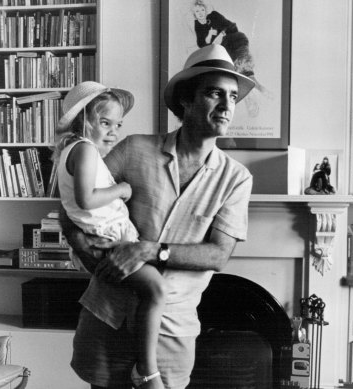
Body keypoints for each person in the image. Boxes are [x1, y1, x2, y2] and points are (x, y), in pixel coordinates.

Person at [61, 44, 255, 389]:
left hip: (172, 332)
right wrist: (91, 257)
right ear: (186, 100)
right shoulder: (133, 148)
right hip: (108, 318)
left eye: (233, 97)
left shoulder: (236, 178)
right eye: (214, 93)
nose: (227, 106)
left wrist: (149, 250)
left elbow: (219, 254)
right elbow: (72, 204)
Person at [53, 81, 166, 389]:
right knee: (156, 290)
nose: (114, 132)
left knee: (144, 291)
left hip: (109, 234)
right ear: (84, 119)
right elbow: (86, 199)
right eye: (105, 123)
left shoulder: (73, 151)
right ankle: (147, 371)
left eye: (117, 124)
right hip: (105, 238)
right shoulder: (86, 150)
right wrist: (122, 189)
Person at [190, 0, 273, 117]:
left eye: (202, 10)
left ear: (206, 10)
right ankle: (254, 93)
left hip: (236, 40)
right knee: (237, 73)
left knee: (243, 64)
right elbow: (202, 44)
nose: (200, 13)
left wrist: (216, 36)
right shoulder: (198, 26)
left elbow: (231, 26)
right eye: (197, 11)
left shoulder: (213, 15)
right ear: (194, 14)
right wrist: (211, 34)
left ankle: (255, 93)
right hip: (225, 49)